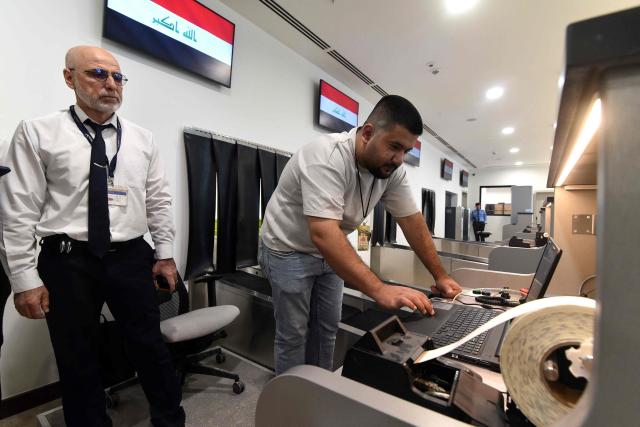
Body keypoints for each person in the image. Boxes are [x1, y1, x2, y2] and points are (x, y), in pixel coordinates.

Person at [0, 46, 185, 427]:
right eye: (97, 74)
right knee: (76, 359)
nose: (111, 84)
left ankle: (170, 421)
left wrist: (164, 254)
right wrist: (23, 278)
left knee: (150, 348)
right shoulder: (38, 132)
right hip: (67, 260)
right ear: (69, 78)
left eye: (118, 77)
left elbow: (159, 201)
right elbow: (18, 208)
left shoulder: (143, 139)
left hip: (131, 256)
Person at [259, 95, 462, 375]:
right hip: (288, 249)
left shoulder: (392, 172)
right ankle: (288, 405)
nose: (400, 159)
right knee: (294, 335)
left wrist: (440, 275)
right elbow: (324, 233)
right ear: (367, 133)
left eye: (406, 151)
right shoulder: (325, 156)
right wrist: (379, 289)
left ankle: (317, 391)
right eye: (394, 147)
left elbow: (412, 221)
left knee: (327, 328)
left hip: (326, 254)